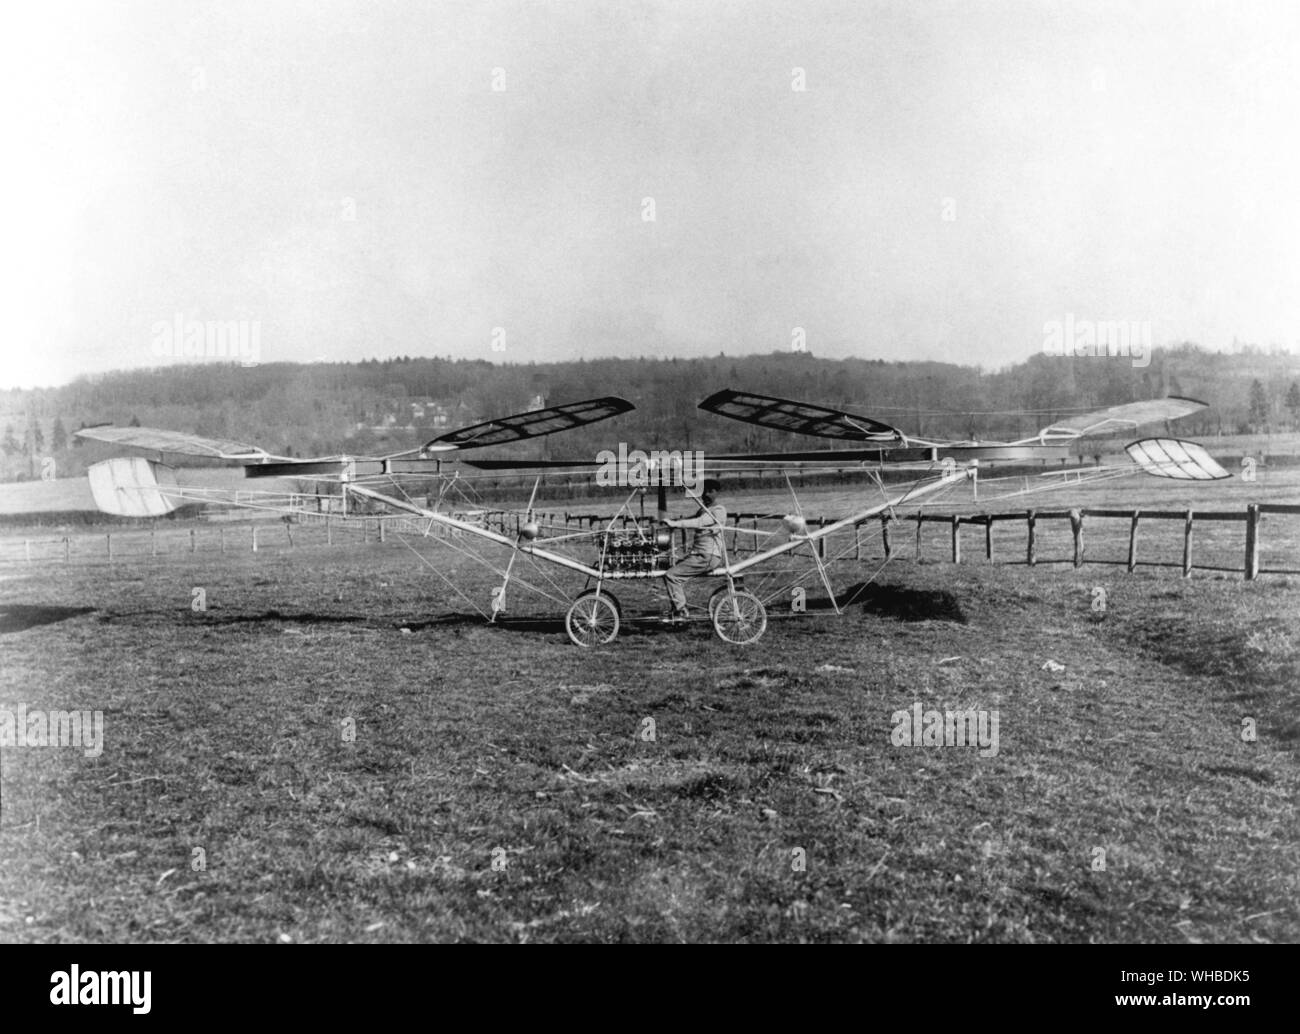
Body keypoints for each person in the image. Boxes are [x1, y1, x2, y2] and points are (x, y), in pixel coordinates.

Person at [661, 479, 727, 621]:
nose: (706, 494)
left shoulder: (718, 510)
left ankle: (681, 611)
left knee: (672, 575)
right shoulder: (703, 509)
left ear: (717, 493)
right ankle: (676, 608)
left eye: (710, 491)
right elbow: (690, 518)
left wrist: (675, 524)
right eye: (703, 491)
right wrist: (672, 521)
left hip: (707, 557)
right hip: (700, 555)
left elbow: (698, 522)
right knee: (670, 567)